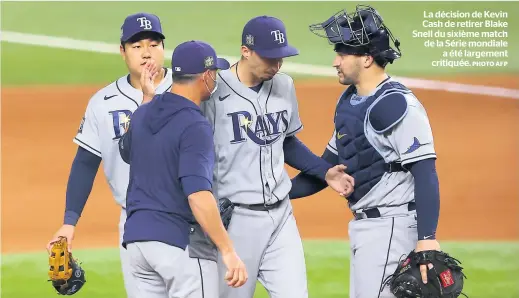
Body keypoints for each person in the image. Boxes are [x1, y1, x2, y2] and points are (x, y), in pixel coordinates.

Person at [45, 13, 216, 298]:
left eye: (153, 44)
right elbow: (85, 163)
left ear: (164, 47)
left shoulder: (192, 88)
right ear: (122, 51)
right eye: (136, 46)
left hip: (189, 217)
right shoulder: (103, 103)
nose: (146, 52)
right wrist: (69, 221)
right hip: (135, 222)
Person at [291, 5, 442, 297]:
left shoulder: (396, 106)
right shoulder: (349, 102)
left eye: (343, 54)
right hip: (368, 229)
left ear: (367, 59)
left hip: (393, 229)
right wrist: (270, 194)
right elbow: (327, 169)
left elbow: (425, 172)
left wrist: (426, 239)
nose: (335, 61)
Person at [200, 16, 355, 298]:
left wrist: (324, 171)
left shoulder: (284, 85)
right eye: (269, 57)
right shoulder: (213, 91)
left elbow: (287, 141)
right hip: (235, 221)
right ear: (245, 51)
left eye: (281, 57)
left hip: (281, 218)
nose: (277, 64)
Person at [119, 40, 248, 297]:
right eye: (215, 74)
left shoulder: (144, 112)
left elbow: (126, 150)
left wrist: (146, 99)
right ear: (206, 76)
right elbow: (197, 194)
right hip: (178, 246)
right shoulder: (194, 124)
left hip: (137, 245)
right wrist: (228, 251)